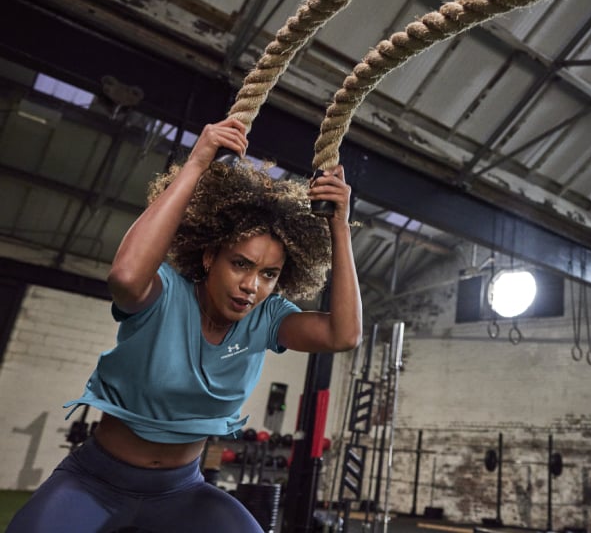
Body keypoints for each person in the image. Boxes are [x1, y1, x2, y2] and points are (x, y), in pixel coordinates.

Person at [8, 117, 362, 533]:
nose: (251, 285)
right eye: (241, 264)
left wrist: (339, 225)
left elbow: (344, 334)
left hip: (183, 492)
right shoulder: (165, 294)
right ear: (211, 257)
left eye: (268, 274)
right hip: (95, 483)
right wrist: (196, 165)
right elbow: (124, 277)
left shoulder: (268, 319)